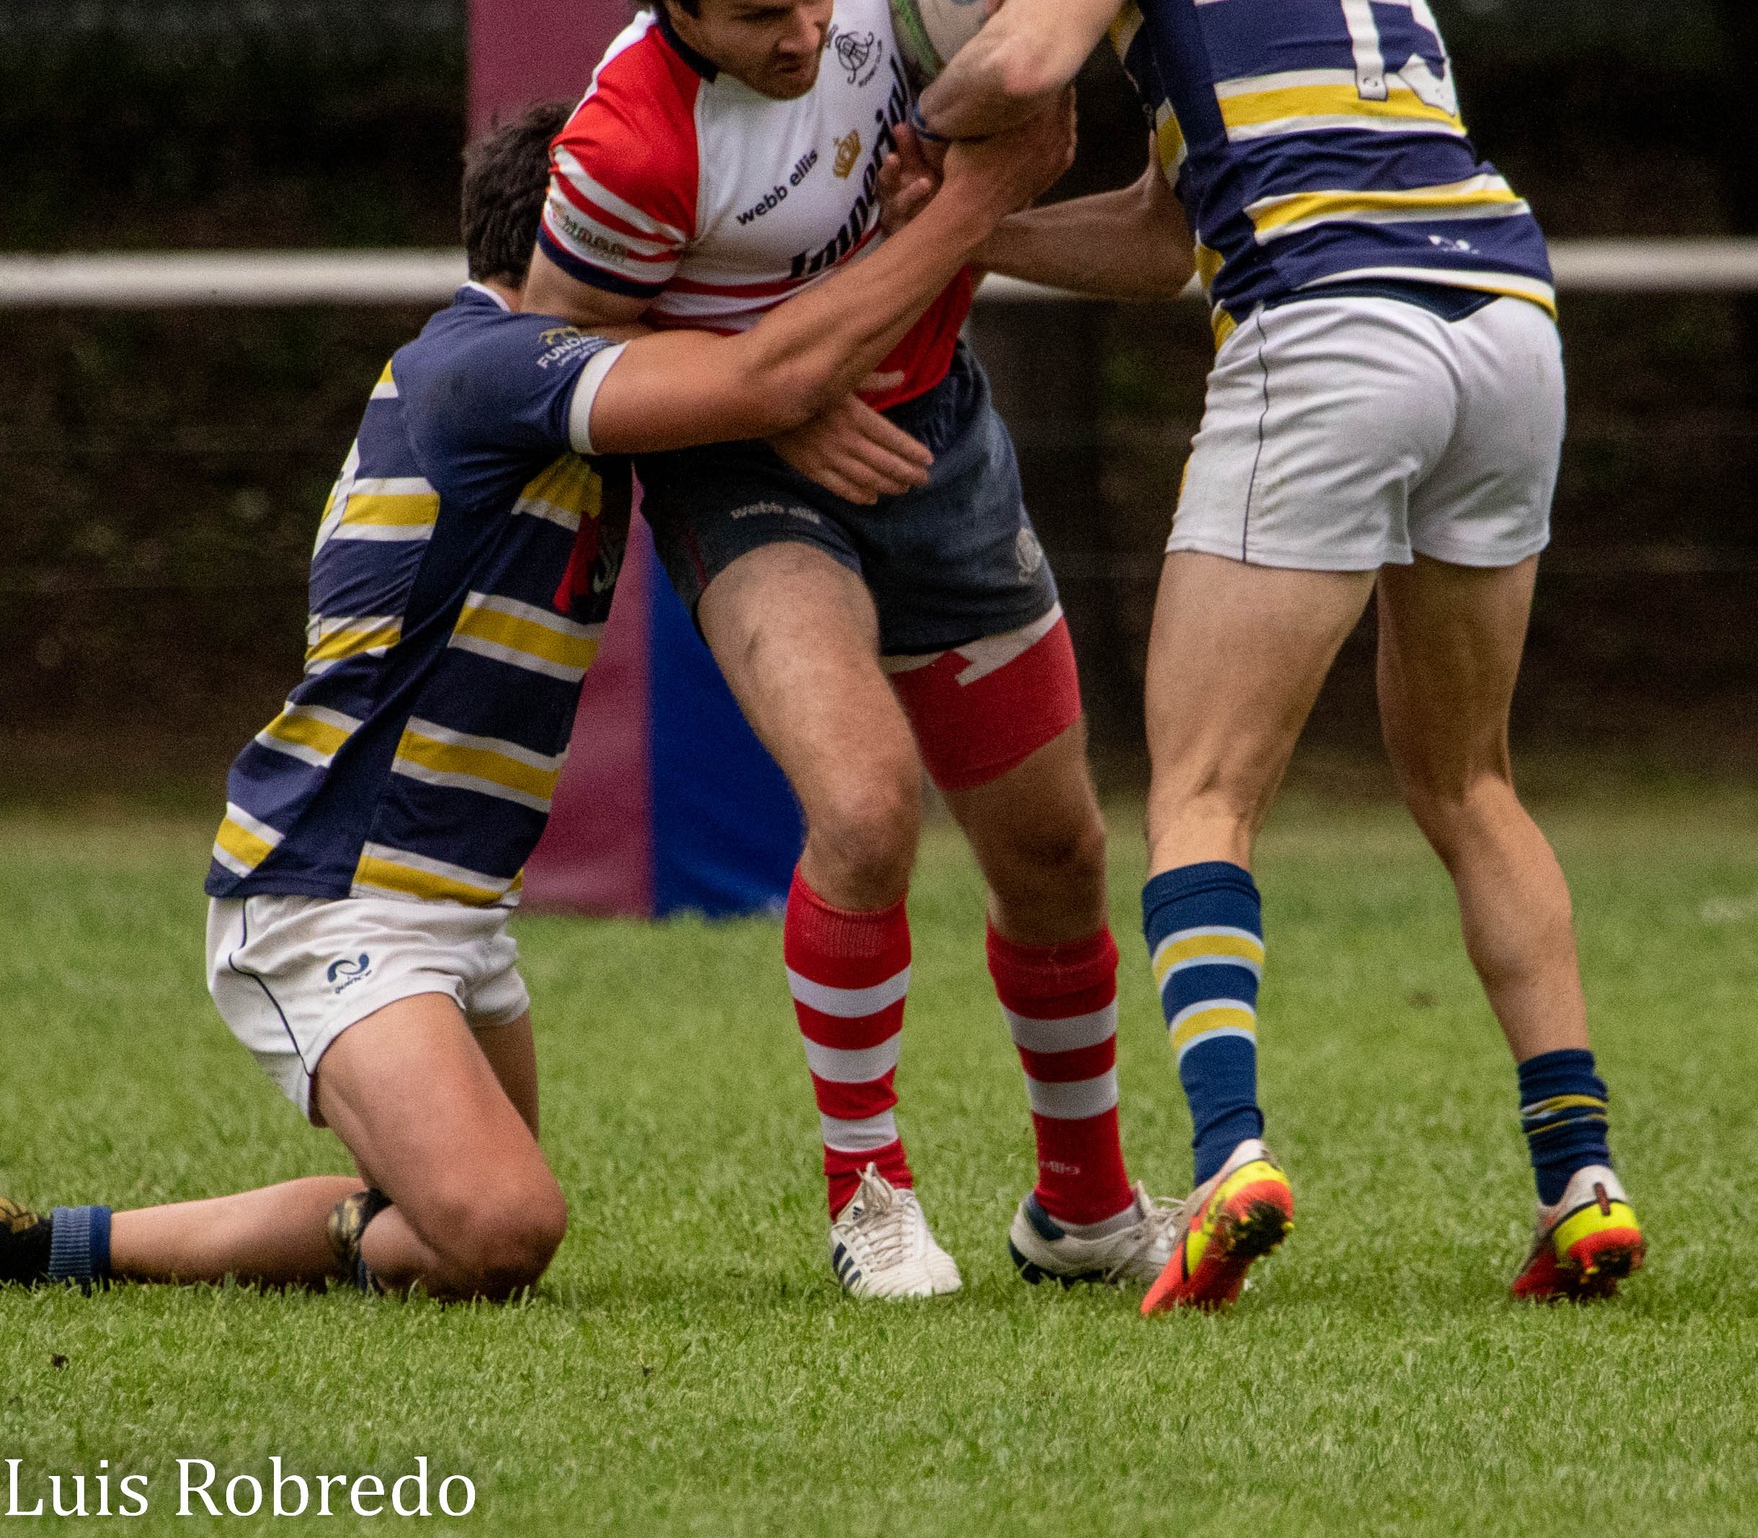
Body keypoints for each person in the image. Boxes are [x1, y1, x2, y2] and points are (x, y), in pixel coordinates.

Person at [0, 93, 1068, 1300]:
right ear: (591, 234)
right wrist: (962, 214)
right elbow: (772, 369)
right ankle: (198, 1245)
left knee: (461, 1235)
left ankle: (50, 1247)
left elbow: (768, 382)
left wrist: (794, 389)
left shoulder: (550, 388)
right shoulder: (492, 364)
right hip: (331, 893)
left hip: (460, 910)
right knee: (502, 1227)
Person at [909, 0, 1645, 1311]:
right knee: (1467, 782)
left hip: (1329, 329)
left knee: (1201, 785)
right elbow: (1165, 238)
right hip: (1504, 328)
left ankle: (1231, 1158)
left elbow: (1025, 56)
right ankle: (1579, 1179)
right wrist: (967, 236)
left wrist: (916, 126)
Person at [523, 0, 1175, 1301]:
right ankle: (866, 1196)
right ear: (670, 6)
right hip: (745, 477)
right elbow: (562, 374)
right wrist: (768, 395)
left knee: (1058, 848)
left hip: (935, 430)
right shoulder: (626, 150)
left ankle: (1081, 1206)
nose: (809, 30)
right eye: (760, 19)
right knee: (868, 808)